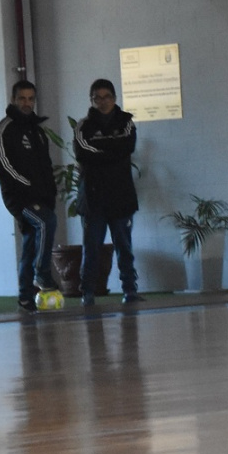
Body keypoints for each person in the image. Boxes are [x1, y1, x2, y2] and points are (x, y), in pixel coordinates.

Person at [0, 80, 60, 313]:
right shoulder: (2, 131)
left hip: (41, 197)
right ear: (13, 99)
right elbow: (4, 167)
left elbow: (46, 166)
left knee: (31, 243)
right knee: (46, 221)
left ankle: (25, 298)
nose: (26, 103)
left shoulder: (37, 131)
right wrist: (28, 186)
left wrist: (49, 192)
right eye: (22, 98)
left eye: (30, 99)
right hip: (19, 198)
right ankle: (42, 273)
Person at [73, 78, 142, 306]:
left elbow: (127, 147)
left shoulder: (127, 123)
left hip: (121, 197)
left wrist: (101, 153)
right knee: (92, 248)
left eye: (107, 97)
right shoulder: (83, 126)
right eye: (98, 98)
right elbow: (83, 152)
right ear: (91, 100)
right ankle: (88, 293)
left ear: (115, 98)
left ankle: (129, 290)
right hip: (93, 198)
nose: (103, 102)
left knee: (124, 247)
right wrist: (112, 151)